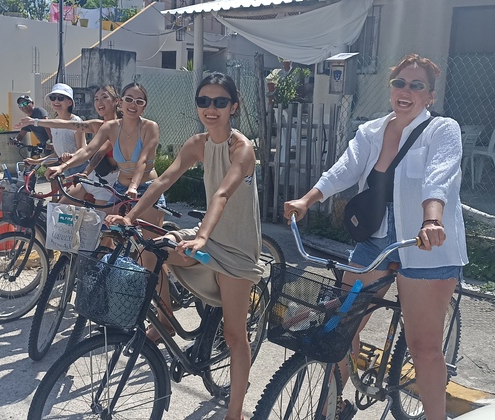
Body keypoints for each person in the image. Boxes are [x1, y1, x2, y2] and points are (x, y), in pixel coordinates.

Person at [283, 54, 468, 420]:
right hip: (376, 238)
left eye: (417, 86)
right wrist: (307, 199)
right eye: (400, 83)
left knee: (424, 347)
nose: (406, 91)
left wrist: (431, 220)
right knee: (339, 323)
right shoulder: (371, 131)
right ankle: (334, 404)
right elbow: (345, 168)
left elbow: (439, 177)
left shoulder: (441, 130)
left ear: (429, 96)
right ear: (391, 88)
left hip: (427, 245)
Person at [105, 73, 262, 420]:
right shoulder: (196, 143)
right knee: (151, 248)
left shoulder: (243, 148)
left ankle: (234, 412)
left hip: (235, 248)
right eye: (203, 101)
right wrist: (129, 217)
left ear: (233, 106)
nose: (210, 108)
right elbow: (162, 180)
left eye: (220, 101)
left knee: (236, 335)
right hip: (206, 235)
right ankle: (166, 317)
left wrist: (203, 237)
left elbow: (221, 193)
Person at [44, 82, 164, 226]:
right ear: (121, 101)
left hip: (146, 187)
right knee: (102, 229)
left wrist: (133, 186)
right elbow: (89, 150)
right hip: (121, 188)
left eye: (139, 101)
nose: (133, 105)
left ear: (144, 106)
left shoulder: (150, 127)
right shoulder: (110, 127)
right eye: (129, 99)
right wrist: (62, 167)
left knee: (149, 245)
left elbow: (142, 160)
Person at [18, 85, 121, 205]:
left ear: (116, 101)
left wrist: (69, 167)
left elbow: (91, 151)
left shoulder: (120, 127)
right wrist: (34, 121)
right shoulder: (97, 124)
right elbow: (65, 124)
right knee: (60, 209)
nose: (99, 102)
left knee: (98, 220)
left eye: (104, 97)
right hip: (92, 177)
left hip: (109, 182)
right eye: (96, 99)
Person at [25, 83, 87, 176]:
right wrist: (36, 162)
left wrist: (70, 156)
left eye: (61, 98)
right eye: (53, 98)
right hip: (66, 169)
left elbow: (82, 150)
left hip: (82, 169)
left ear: (69, 102)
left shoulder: (76, 121)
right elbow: (56, 154)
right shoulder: (53, 124)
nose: (56, 101)